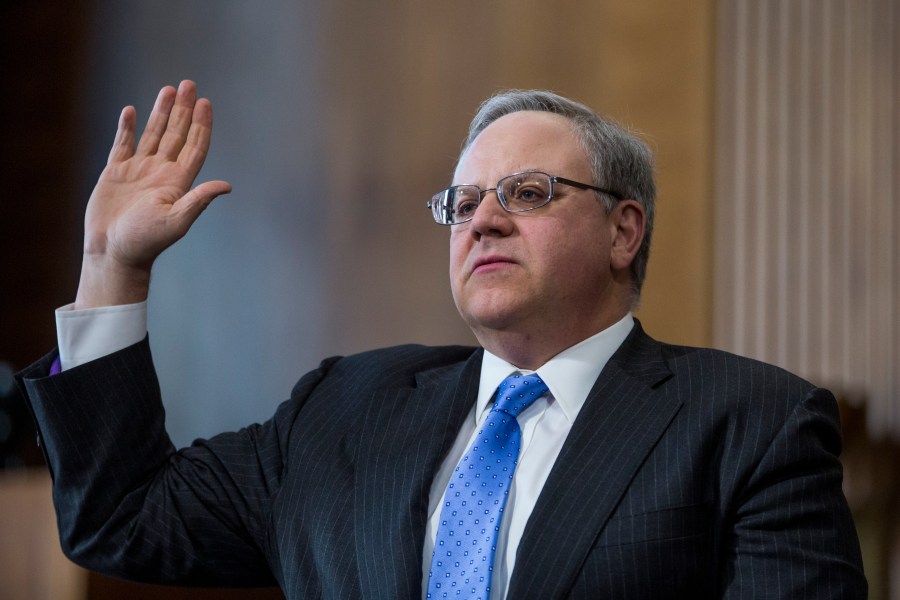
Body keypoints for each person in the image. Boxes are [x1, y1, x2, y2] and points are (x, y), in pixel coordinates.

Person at [17, 81, 866, 599]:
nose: (483, 219)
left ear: (624, 230)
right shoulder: (342, 410)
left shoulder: (752, 424)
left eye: (528, 192)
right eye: (462, 204)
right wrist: (109, 266)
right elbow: (120, 521)